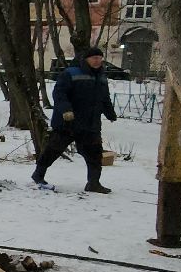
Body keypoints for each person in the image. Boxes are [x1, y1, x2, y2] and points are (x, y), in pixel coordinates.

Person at [32, 46, 118, 193]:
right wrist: (66, 110)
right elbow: (59, 93)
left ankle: (93, 183)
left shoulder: (101, 76)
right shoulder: (71, 73)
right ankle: (38, 175)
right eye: (94, 58)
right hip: (68, 123)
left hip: (90, 124)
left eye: (100, 58)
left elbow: (104, 97)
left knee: (95, 154)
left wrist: (110, 113)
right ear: (86, 59)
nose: (97, 61)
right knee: (53, 150)